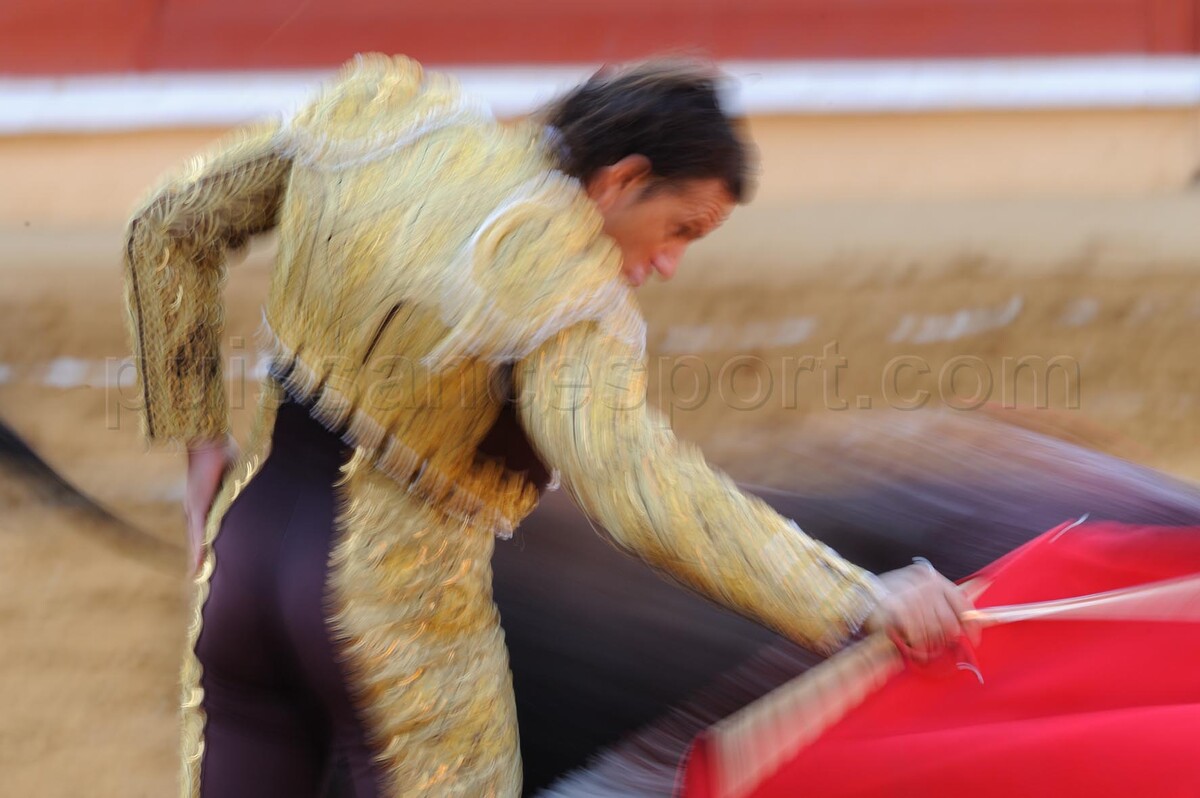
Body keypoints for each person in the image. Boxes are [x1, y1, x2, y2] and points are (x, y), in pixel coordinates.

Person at [123, 53, 976, 797]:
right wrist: (853, 596)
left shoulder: (385, 122)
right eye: (679, 228)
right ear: (622, 179)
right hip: (393, 620)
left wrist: (201, 444)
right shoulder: (565, 289)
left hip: (240, 565)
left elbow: (165, 228)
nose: (670, 263)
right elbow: (637, 487)